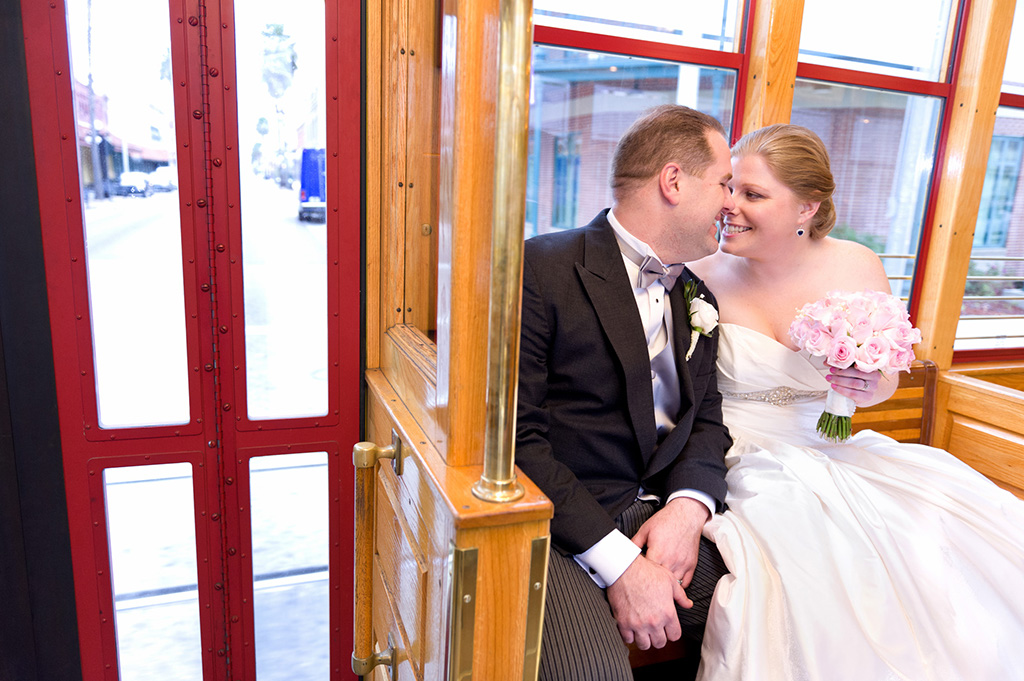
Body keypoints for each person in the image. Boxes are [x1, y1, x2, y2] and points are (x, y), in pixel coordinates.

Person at [688, 123, 1024, 681]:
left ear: (807, 207)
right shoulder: (697, 274)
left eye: (753, 194)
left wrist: (870, 386)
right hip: (736, 453)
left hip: (831, 444)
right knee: (811, 564)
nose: (730, 205)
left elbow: (888, 372)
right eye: (730, 187)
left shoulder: (855, 265)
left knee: (946, 547)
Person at [515, 104, 735, 681]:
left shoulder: (698, 295)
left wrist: (688, 509)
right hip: (567, 525)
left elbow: (707, 424)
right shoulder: (541, 269)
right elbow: (518, 442)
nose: (730, 204)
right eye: (724, 184)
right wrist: (623, 568)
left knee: (783, 617)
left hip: (663, 513)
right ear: (673, 181)